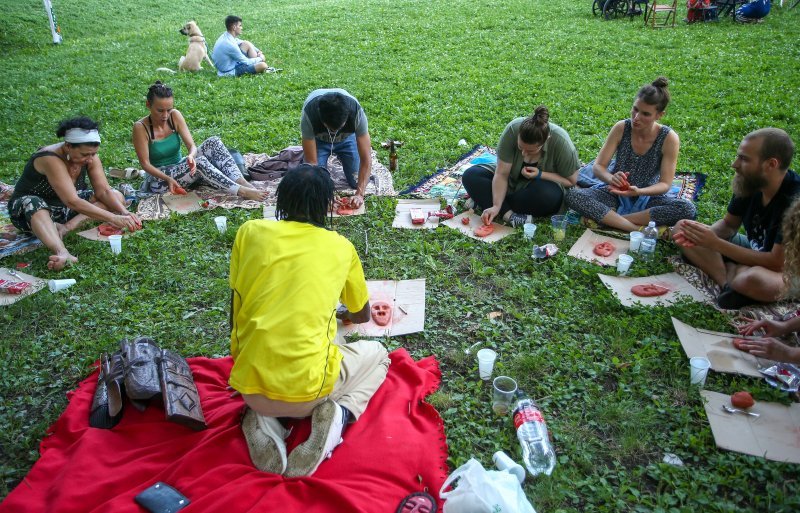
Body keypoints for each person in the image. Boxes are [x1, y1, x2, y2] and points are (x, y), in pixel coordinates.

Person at [229, 164, 390, 477]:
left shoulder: (249, 232)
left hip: (249, 384)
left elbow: (236, 305)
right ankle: (339, 416)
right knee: (380, 356)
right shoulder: (340, 247)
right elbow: (361, 315)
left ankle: (262, 418)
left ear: (281, 200)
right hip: (308, 394)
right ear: (328, 205)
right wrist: (339, 310)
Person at [672, 128, 798, 309]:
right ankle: (727, 284)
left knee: (753, 279)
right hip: (757, 250)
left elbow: (776, 262)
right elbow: (729, 225)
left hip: (788, 269)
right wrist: (700, 237)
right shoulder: (749, 181)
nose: (735, 164)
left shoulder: (794, 202)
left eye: (744, 159)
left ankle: (738, 278)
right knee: (683, 227)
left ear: (771, 164)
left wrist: (715, 245)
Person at [7, 117, 141, 270]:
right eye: (85, 154)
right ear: (68, 146)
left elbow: (103, 191)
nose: (90, 159)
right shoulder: (49, 158)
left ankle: (65, 228)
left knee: (116, 196)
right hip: (33, 212)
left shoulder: (90, 157)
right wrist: (113, 217)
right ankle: (61, 251)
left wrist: (124, 213)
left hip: (65, 209)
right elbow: (72, 201)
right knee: (33, 203)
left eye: (93, 154)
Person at [565, 77, 696, 233]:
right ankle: (633, 227)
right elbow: (599, 166)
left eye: (645, 114)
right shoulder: (621, 128)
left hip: (647, 197)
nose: (636, 117)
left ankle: (612, 219)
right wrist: (611, 179)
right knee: (573, 196)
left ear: (660, 115)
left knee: (687, 209)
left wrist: (639, 191)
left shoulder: (669, 138)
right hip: (614, 193)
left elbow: (665, 184)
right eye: (635, 109)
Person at [132, 81, 267, 201]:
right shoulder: (140, 127)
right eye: (160, 111)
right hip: (160, 179)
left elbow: (192, 146)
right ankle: (242, 191)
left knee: (213, 142)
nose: (165, 115)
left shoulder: (175, 116)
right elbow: (145, 164)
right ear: (148, 105)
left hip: (180, 166)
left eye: (169, 109)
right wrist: (168, 179)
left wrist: (191, 156)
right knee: (201, 163)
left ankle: (243, 183)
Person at [460, 105, 580, 227]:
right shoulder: (512, 129)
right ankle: (508, 214)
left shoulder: (562, 142)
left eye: (530, 151)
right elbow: (501, 174)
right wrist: (496, 205)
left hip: (538, 188)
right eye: (520, 147)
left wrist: (540, 174)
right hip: (510, 181)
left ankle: (483, 200)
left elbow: (571, 181)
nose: (523, 153)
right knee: (471, 175)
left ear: (546, 140)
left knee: (549, 196)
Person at [300, 89, 372, 208]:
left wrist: (360, 194)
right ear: (322, 119)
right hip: (319, 141)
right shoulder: (309, 114)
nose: (335, 132)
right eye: (330, 128)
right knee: (315, 178)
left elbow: (366, 158)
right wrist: (325, 195)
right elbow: (312, 163)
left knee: (355, 181)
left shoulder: (356, 112)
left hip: (347, 139)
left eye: (340, 127)